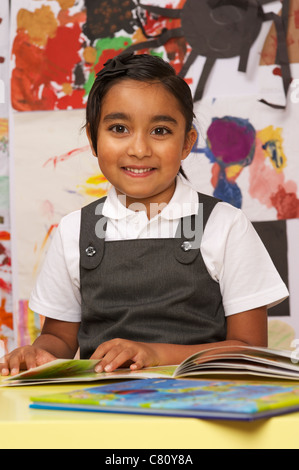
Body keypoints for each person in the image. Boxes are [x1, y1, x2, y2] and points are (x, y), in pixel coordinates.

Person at [1, 53, 288, 376]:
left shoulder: (224, 225)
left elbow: (250, 348)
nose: (139, 149)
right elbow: (58, 338)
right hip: (100, 409)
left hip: (203, 407)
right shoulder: (74, 231)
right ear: (93, 139)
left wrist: (155, 353)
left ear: (186, 143)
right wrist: (35, 353)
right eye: (119, 128)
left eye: (161, 131)